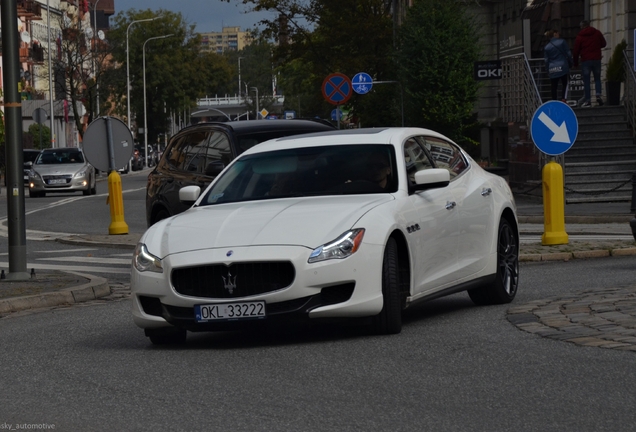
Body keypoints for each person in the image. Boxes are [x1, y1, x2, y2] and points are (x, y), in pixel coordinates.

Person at [573, 20, 607, 107]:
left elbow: (576, 51)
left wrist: (575, 63)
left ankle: (588, 100)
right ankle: (598, 95)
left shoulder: (580, 37)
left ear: (581, 27)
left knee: (587, 81)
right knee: (597, 79)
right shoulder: (597, 33)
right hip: (596, 59)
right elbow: (604, 43)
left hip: (586, 60)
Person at [543, 29, 573, 102]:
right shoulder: (562, 42)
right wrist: (571, 63)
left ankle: (554, 101)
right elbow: (569, 54)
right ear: (555, 34)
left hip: (552, 68)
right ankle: (563, 99)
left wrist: (547, 69)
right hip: (563, 66)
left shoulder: (547, 47)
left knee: (554, 86)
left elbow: (546, 60)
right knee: (565, 83)